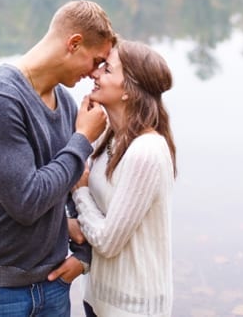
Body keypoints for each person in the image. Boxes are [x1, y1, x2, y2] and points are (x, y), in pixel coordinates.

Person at [0, 0, 118, 317]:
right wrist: (82, 139)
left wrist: (81, 255)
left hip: (52, 286)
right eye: (96, 60)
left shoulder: (66, 104)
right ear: (74, 43)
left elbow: (70, 184)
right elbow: (26, 202)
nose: (95, 73)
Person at [72, 40, 177, 317]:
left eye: (107, 70)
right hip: (98, 299)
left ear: (129, 91)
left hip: (133, 309)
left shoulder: (146, 151)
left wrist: (81, 191)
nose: (95, 74)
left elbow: (107, 241)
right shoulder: (109, 136)